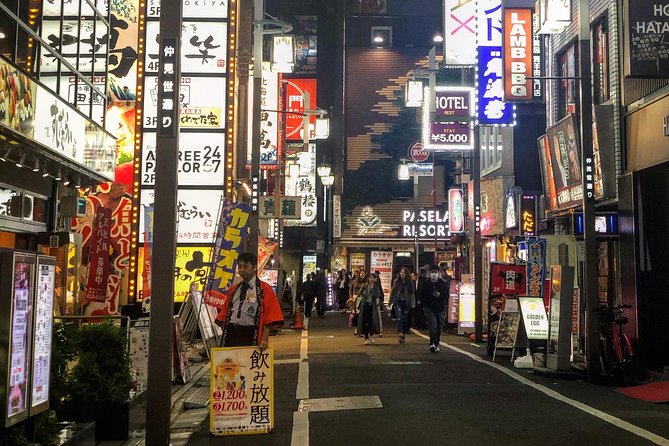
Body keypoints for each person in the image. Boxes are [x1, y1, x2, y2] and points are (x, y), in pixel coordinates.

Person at [214, 252, 284, 349]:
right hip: (232, 334)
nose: (241, 270)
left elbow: (270, 317)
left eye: (245, 266)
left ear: (254, 267)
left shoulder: (265, 289)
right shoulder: (234, 290)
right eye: (240, 267)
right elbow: (224, 315)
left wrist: (264, 339)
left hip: (251, 333)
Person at [418, 265, 449, 352]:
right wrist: (423, 306)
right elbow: (422, 295)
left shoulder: (442, 283)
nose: (434, 274)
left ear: (438, 273)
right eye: (432, 272)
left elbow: (446, 296)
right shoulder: (426, 283)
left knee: (439, 327)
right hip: (429, 308)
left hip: (440, 308)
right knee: (433, 325)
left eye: (435, 272)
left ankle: (436, 343)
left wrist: (440, 296)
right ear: (429, 273)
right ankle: (432, 343)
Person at [390, 267, 415, 343]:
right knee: (399, 317)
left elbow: (412, 293)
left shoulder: (410, 282)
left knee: (404, 318)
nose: (402, 274)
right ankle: (400, 332)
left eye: (404, 273)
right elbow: (393, 291)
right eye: (401, 272)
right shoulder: (396, 281)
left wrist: (413, 304)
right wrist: (390, 301)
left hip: (406, 302)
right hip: (398, 302)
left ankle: (403, 333)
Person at [356, 272, 382, 345]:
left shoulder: (376, 287)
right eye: (370, 277)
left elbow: (377, 295)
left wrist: (372, 289)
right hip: (365, 305)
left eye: (373, 278)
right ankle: (366, 337)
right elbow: (359, 294)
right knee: (366, 322)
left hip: (373, 306)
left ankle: (372, 336)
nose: (372, 279)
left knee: (372, 321)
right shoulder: (364, 286)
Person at [349, 269, 367, 335]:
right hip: (356, 298)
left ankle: (361, 329)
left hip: (363, 298)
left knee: (363, 315)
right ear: (359, 274)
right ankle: (356, 329)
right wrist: (351, 297)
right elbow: (350, 290)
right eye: (361, 273)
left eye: (364, 273)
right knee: (356, 314)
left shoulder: (366, 282)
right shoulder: (354, 281)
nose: (362, 275)